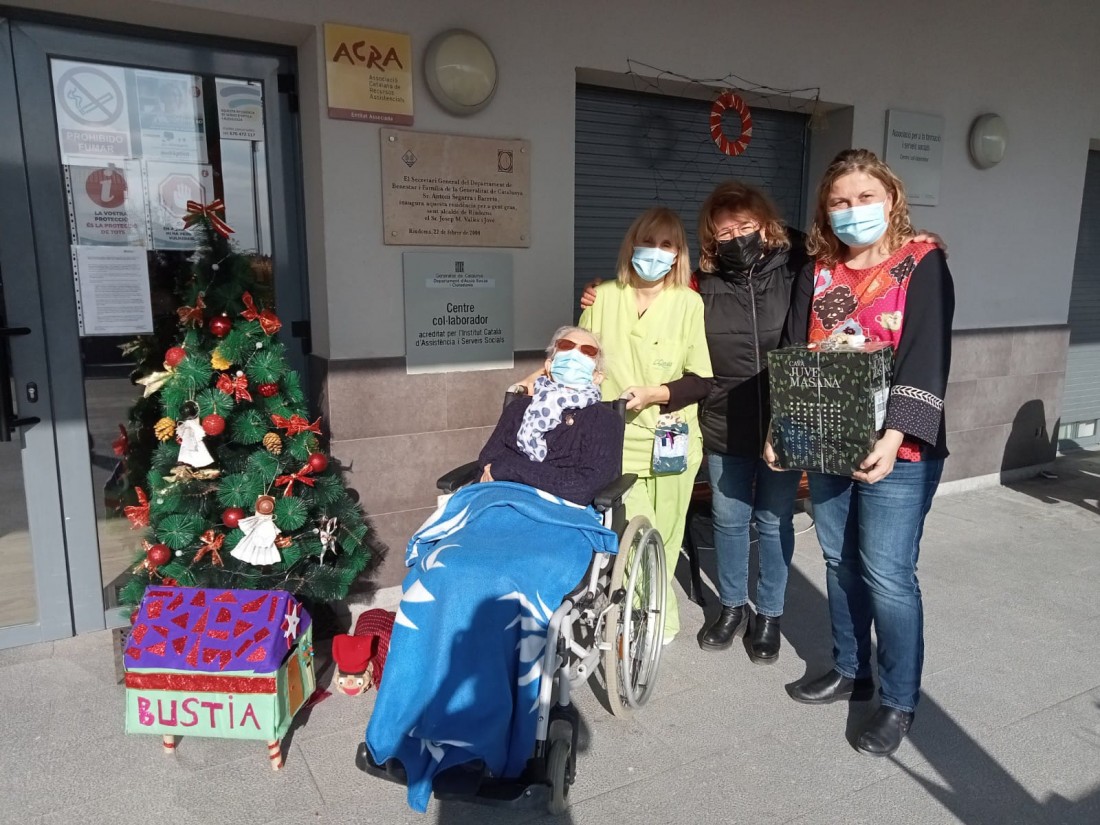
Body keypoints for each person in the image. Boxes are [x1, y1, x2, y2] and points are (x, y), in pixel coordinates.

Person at [367, 326, 623, 811]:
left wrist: (511, 470)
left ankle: (487, 734)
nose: (574, 355)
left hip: (557, 523)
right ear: (548, 360)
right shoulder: (519, 408)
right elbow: (487, 459)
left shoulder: (602, 421)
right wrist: (513, 473)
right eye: (564, 347)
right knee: (441, 569)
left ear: (598, 370)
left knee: (507, 582)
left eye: (586, 349)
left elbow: (582, 486)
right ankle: (412, 720)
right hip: (493, 508)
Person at [770, 148, 954, 758]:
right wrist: (780, 428)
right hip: (829, 442)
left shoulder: (921, 263)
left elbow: (926, 354)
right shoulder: (819, 272)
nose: (854, 210)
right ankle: (852, 669)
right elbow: (795, 351)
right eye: (840, 202)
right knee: (839, 562)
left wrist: (895, 437)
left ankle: (899, 700)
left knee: (888, 575)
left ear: (891, 199)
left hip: (900, 452)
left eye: (865, 197)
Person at [578, 207, 713, 644]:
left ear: (678, 254)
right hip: (617, 437)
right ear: (631, 245)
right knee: (635, 529)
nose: (655, 252)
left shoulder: (688, 303)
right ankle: (656, 618)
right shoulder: (602, 297)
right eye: (647, 242)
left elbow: (701, 380)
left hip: (672, 437)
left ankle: (650, 614)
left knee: (668, 533)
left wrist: (656, 393)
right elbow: (578, 362)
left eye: (666, 244)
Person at [691, 182, 807, 660]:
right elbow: (652, 301)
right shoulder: (702, 282)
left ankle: (770, 614)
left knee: (775, 519)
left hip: (785, 420)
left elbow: (855, 260)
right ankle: (733, 607)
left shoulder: (798, 267)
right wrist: (600, 292)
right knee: (729, 518)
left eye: (745, 226)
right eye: (724, 232)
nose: (736, 238)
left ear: (765, 223)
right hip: (726, 416)